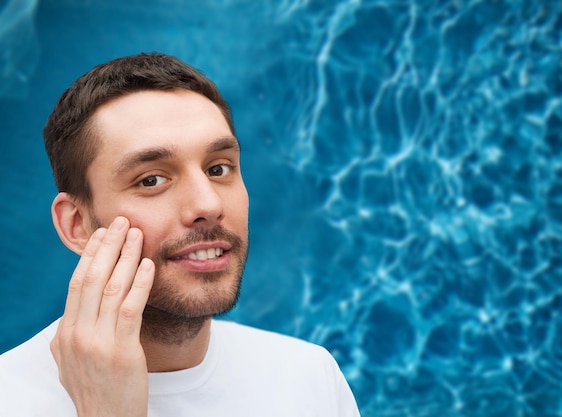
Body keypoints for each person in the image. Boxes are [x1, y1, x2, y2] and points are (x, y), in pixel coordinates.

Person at [0, 52, 360, 417]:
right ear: (76, 225)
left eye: (218, 168)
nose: (208, 203)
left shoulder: (308, 378)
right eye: (152, 180)